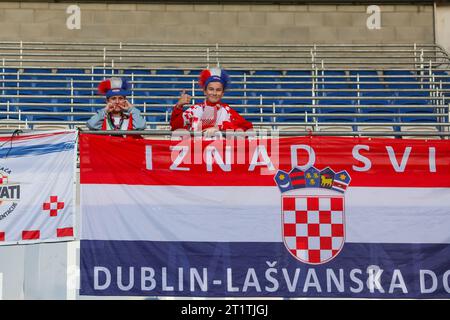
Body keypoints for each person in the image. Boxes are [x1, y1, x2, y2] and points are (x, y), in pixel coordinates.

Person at [170, 68, 253, 134]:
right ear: (205, 91)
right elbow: (175, 127)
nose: (214, 93)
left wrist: (220, 127)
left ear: (222, 93)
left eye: (218, 90)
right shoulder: (194, 110)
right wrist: (179, 106)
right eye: (211, 89)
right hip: (197, 152)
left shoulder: (227, 111)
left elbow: (247, 127)